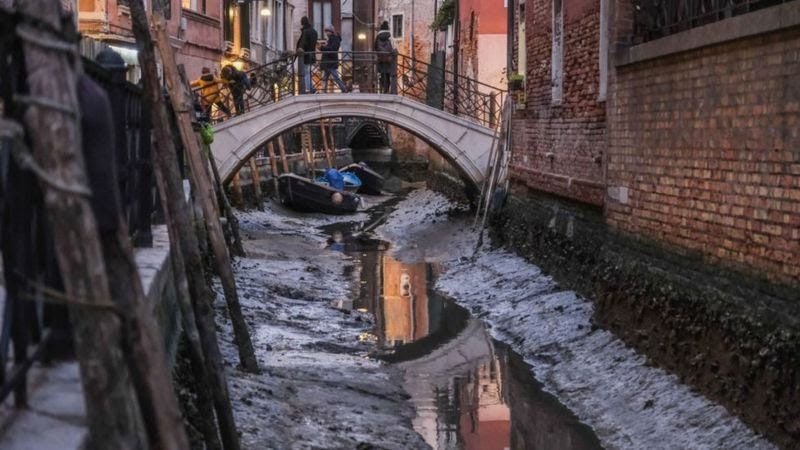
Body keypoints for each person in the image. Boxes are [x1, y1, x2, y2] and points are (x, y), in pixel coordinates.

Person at [319, 24, 348, 93]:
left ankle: (343, 89)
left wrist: (322, 48)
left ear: (331, 32)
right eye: (326, 31)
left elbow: (332, 49)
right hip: (328, 62)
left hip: (331, 61)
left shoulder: (334, 39)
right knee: (325, 77)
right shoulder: (331, 39)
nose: (326, 33)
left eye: (327, 31)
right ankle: (323, 91)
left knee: (335, 77)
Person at [296, 16, 318, 93]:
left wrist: (299, 52)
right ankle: (311, 88)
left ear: (302, 23)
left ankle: (310, 89)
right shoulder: (314, 31)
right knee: (307, 72)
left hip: (305, 55)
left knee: (305, 72)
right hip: (311, 54)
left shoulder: (305, 32)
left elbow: (303, 44)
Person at [374, 21, 394, 93]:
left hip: (381, 60)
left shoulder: (378, 38)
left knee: (382, 75)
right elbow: (391, 49)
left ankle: (382, 89)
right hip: (388, 60)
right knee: (388, 75)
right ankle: (386, 90)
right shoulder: (388, 39)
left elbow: (376, 48)